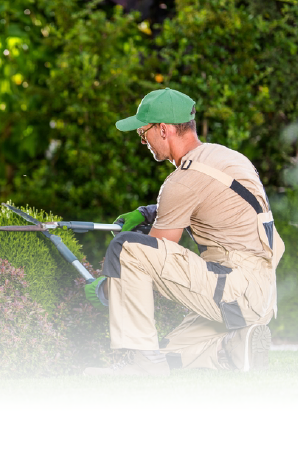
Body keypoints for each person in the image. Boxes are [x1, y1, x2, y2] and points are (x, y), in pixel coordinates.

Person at [83, 88, 284, 376]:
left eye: (143, 132)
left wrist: (107, 288)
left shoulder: (183, 180)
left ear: (163, 129)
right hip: (258, 294)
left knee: (126, 248)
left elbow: (152, 256)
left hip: (235, 290)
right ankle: (232, 349)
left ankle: (142, 366)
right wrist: (148, 213)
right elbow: (212, 203)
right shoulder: (224, 158)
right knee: (166, 353)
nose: (143, 140)